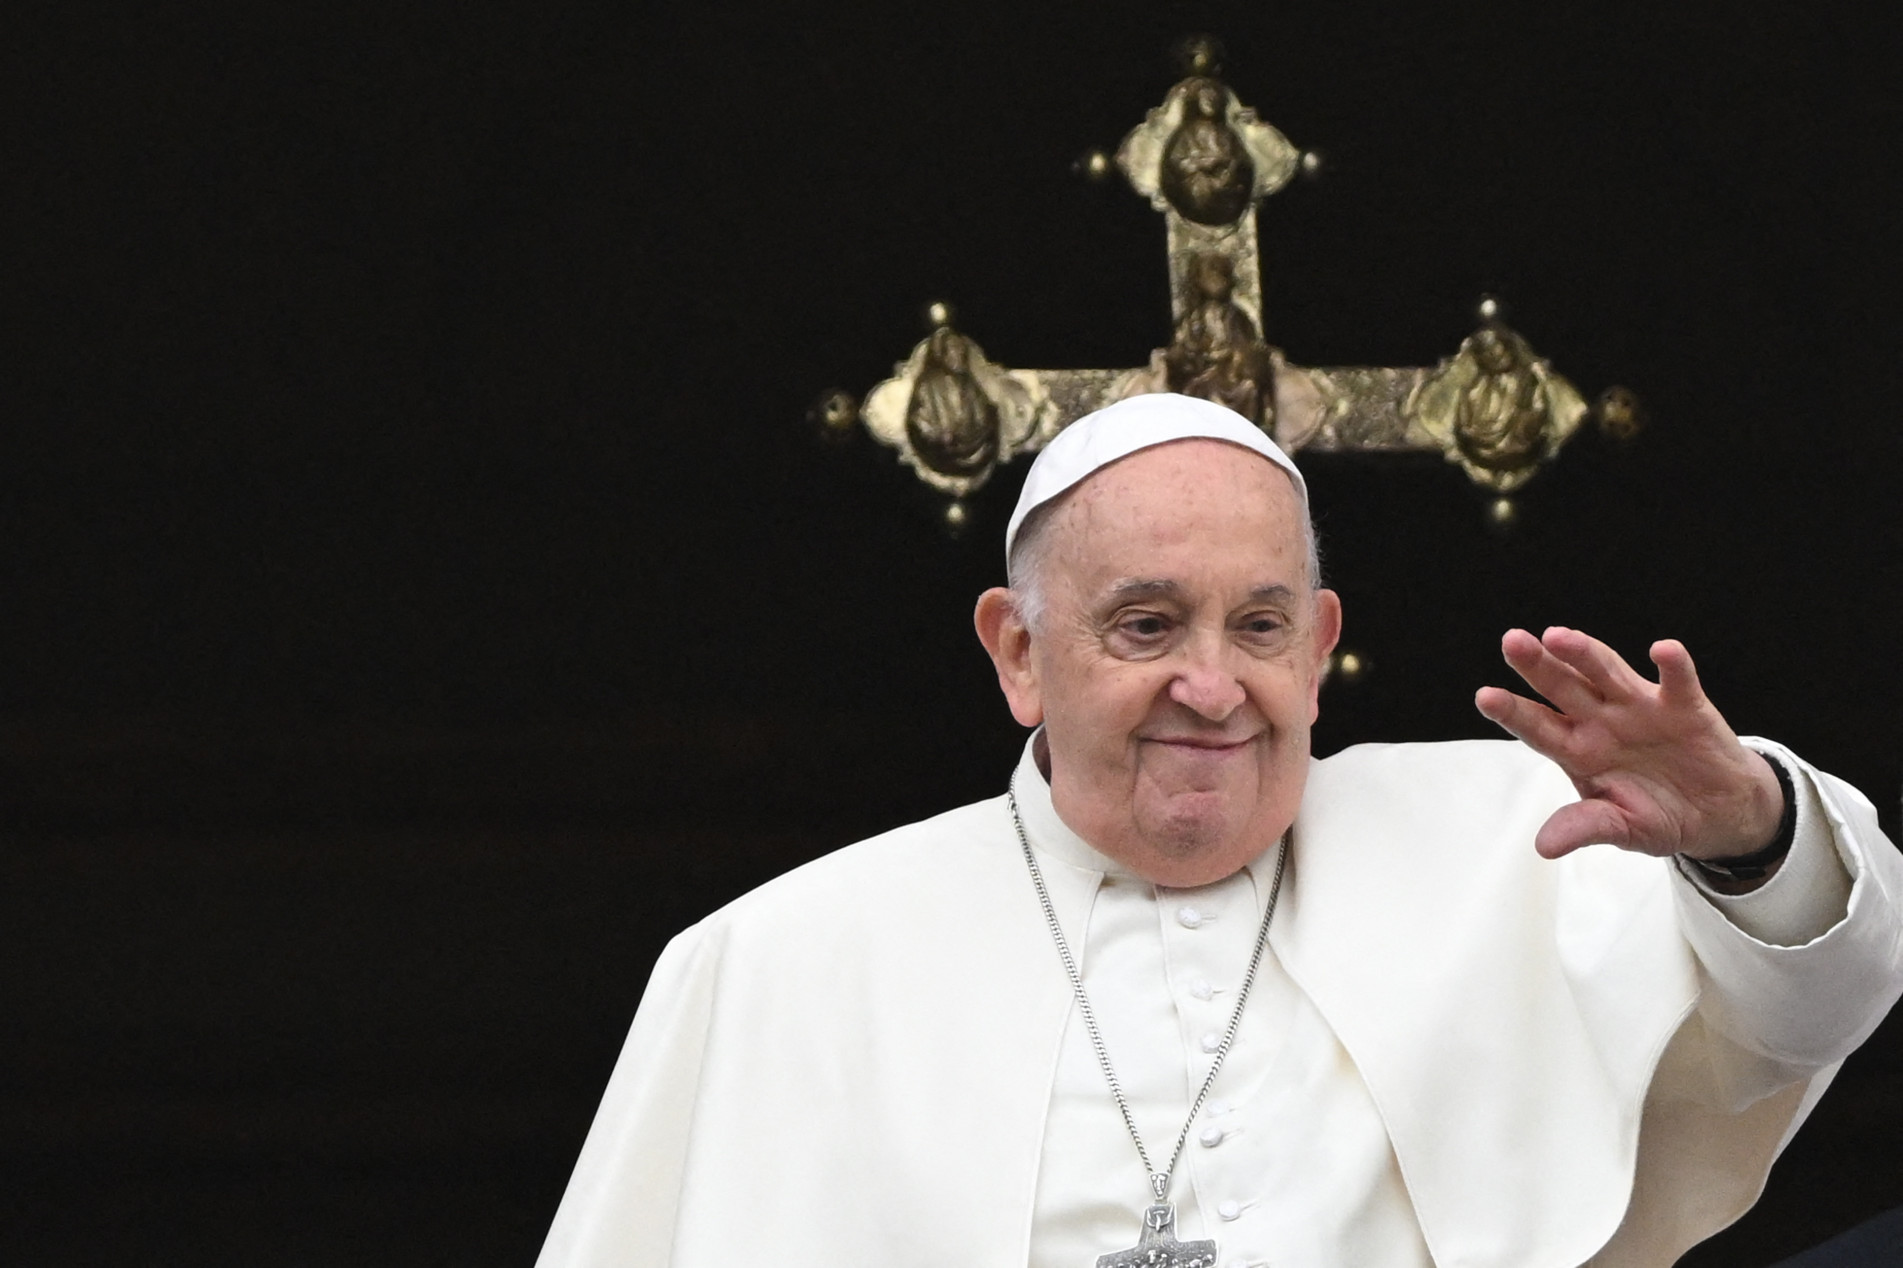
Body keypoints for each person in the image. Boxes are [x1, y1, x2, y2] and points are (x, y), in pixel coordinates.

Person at [537, 393, 1903, 1267]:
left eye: (1258, 626)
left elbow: (1820, 1008)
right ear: (1018, 653)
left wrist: (1746, 832)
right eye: (1146, 625)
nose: (1213, 685)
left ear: (1318, 649)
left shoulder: (1520, 840)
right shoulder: (780, 963)